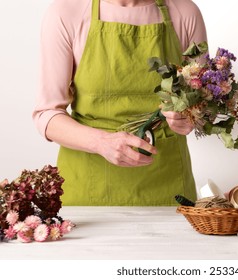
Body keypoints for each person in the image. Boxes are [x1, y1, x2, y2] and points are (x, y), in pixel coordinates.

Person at [32, 0, 208, 205]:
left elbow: (203, 105)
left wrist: (189, 118)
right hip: (88, 191)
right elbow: (46, 114)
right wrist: (101, 142)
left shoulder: (185, 13)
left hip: (167, 189)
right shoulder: (66, 13)